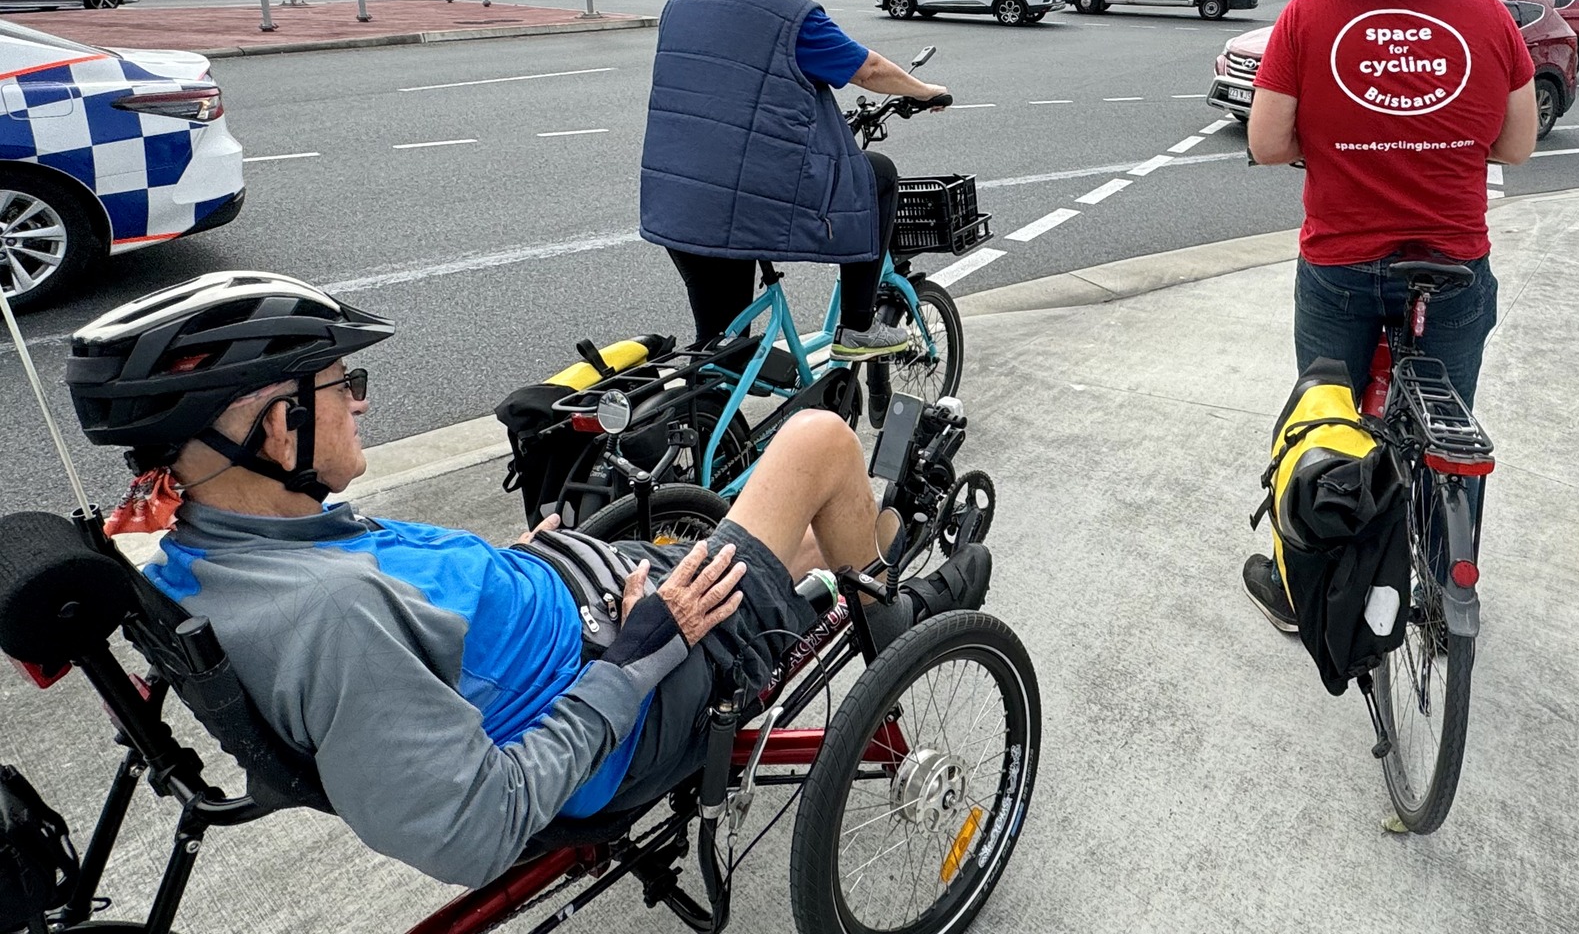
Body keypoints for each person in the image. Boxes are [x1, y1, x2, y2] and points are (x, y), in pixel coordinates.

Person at [66, 271, 987, 888]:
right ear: (278, 427)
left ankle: (854, 567)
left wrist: (519, 572)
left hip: (591, 609)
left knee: (789, 549)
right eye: (346, 385)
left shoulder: (210, 553)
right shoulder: (330, 615)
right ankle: (896, 612)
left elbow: (423, 629)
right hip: (636, 686)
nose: (360, 403)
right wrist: (637, 654)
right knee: (818, 441)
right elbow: (476, 830)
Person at [1240, 0, 1536, 631]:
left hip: (1340, 262)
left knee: (1323, 419)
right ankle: (1444, 593)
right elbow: (1516, 148)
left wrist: (1337, 143)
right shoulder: (1491, 19)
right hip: (1452, 266)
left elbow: (1266, 144)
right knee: (1449, 429)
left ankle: (1306, 590)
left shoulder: (1306, 17)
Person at [641, 0, 951, 357]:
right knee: (878, 174)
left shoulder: (681, 1)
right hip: (746, 193)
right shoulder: (790, 13)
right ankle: (858, 327)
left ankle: (713, 400)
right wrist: (925, 90)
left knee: (722, 348)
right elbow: (868, 70)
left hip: (677, 197)